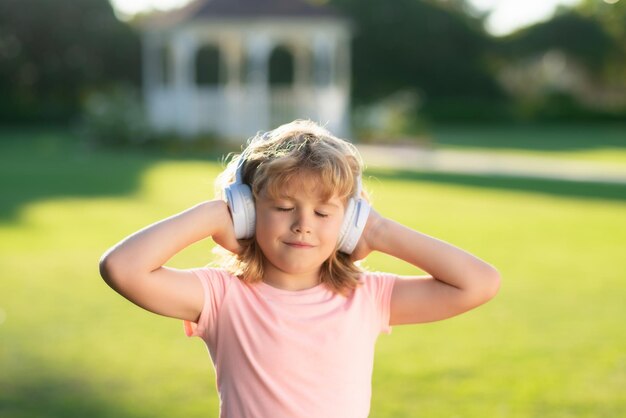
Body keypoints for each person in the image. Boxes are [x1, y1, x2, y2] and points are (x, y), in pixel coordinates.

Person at [99, 119, 501, 418]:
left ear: (348, 223)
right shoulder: (222, 296)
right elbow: (122, 268)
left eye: (324, 212)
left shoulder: (366, 296)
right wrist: (215, 213)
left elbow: (479, 283)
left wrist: (377, 229)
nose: (303, 224)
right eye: (284, 207)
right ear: (248, 213)